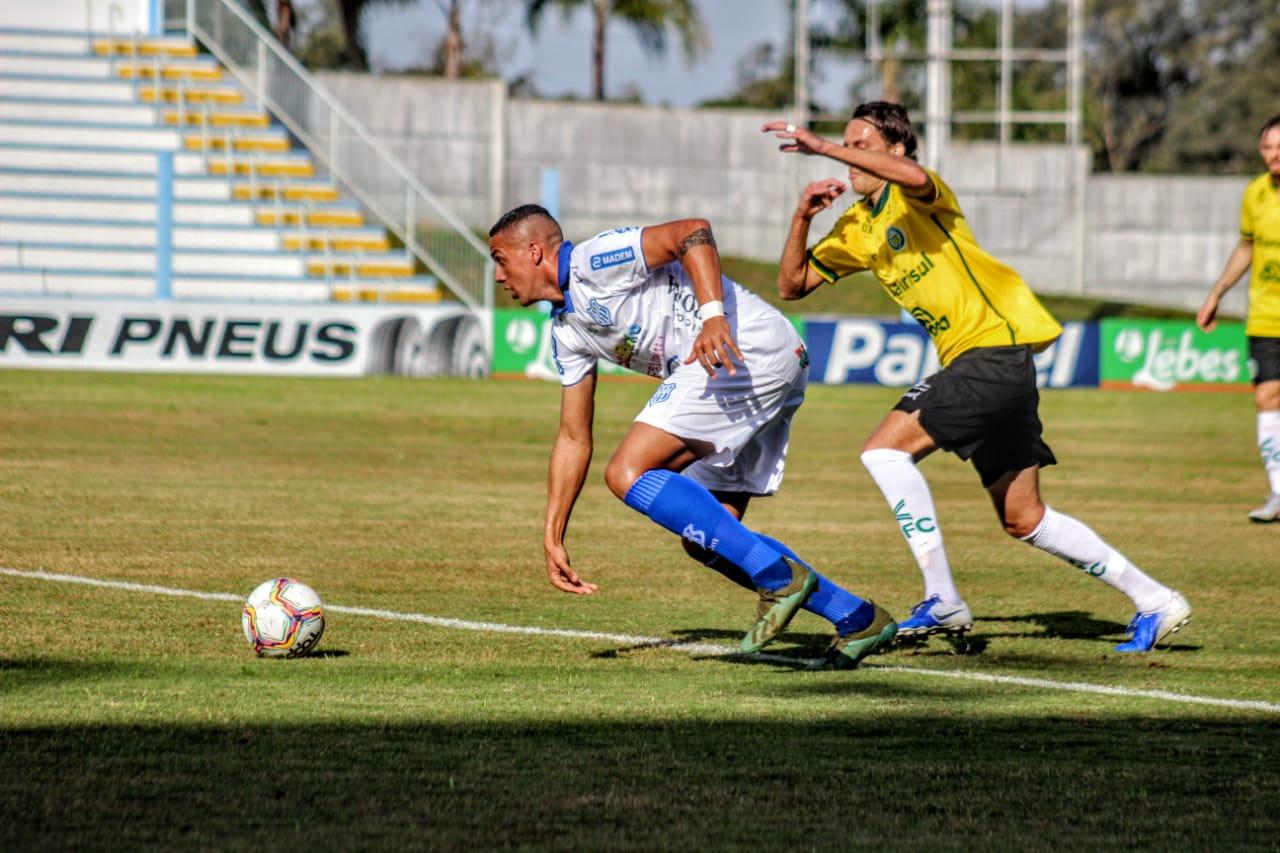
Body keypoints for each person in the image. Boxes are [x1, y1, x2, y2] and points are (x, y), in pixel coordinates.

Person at [762, 102, 1191, 653]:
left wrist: (821, 144)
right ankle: (1156, 600)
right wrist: (803, 216)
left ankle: (941, 597)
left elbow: (916, 176)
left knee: (883, 452)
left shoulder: (919, 191)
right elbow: (792, 285)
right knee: (1024, 518)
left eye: (860, 146)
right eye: (844, 147)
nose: (848, 159)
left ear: (895, 149)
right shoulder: (856, 226)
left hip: (990, 354)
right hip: (993, 366)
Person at [487, 204, 897, 668]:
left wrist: (712, 317)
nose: (499, 275)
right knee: (707, 537)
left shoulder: (593, 260)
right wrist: (552, 533)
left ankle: (779, 578)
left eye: (501, 259)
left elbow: (693, 231)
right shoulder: (566, 329)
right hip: (751, 366)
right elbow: (572, 437)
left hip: (743, 350)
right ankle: (858, 617)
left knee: (627, 472)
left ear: (534, 251)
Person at [1197, 114, 1280, 522]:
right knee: (1267, 398)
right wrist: (1217, 292)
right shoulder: (1255, 194)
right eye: (1268, 147)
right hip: (1266, 316)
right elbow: (1247, 247)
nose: (1274, 155)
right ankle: (1279, 493)